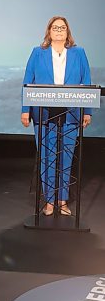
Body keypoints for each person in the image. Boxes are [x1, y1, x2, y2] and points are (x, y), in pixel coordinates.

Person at [21, 16, 92, 216]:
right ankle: (49, 201)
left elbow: (86, 81)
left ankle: (62, 200)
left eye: (62, 27)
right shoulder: (38, 53)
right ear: (49, 31)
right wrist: (25, 109)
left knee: (66, 157)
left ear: (67, 32)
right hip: (44, 113)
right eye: (55, 27)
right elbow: (28, 80)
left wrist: (87, 111)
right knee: (46, 157)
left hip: (71, 113)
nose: (59, 30)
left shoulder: (79, 53)